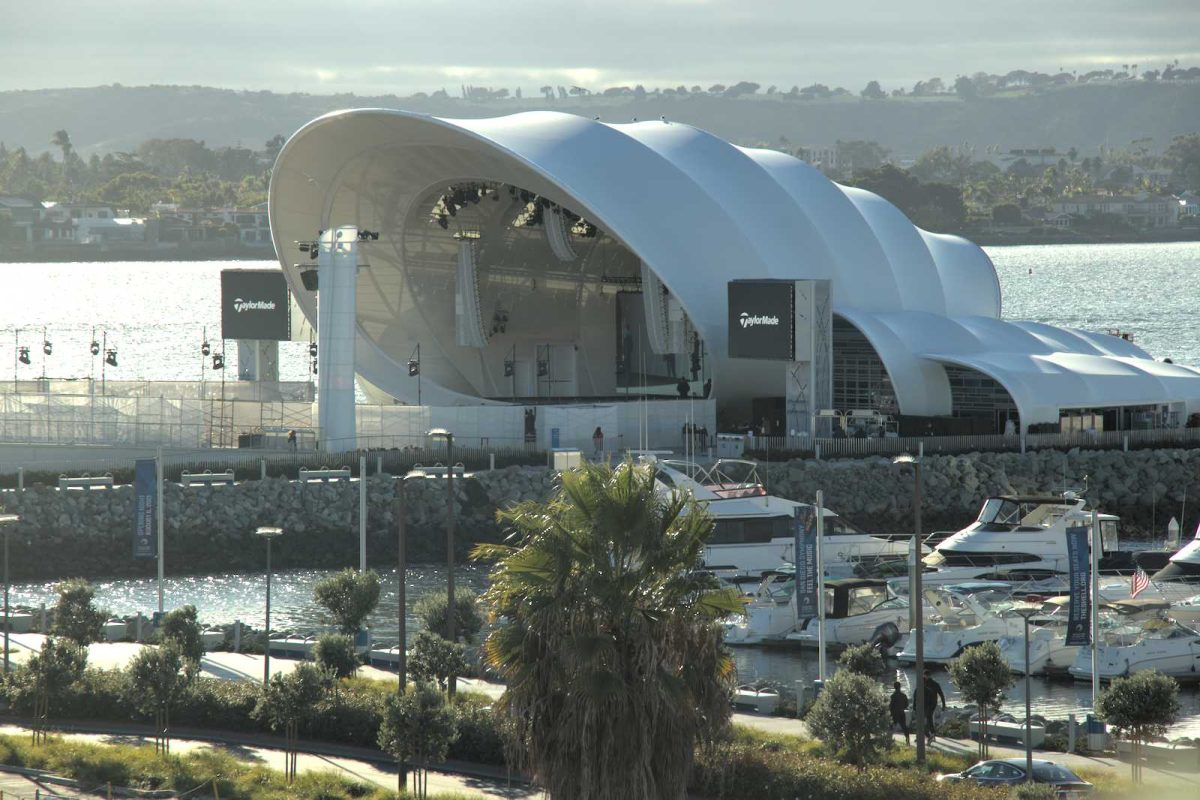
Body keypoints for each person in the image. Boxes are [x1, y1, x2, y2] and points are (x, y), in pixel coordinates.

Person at [923, 669, 946, 742]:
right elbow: (941, 695)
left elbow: (941, 694)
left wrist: (943, 705)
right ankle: (930, 733)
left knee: (928, 717)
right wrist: (943, 705)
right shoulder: (935, 684)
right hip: (932, 703)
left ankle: (931, 733)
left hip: (928, 703)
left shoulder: (925, 683)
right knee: (928, 718)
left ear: (925, 676)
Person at [889, 681, 911, 745]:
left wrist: (891, 712)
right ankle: (907, 739)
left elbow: (891, 705)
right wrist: (902, 708)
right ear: (900, 687)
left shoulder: (893, 696)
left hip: (894, 713)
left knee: (891, 726)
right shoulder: (903, 695)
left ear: (894, 687)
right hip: (901, 712)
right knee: (904, 726)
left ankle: (889, 739)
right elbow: (906, 704)